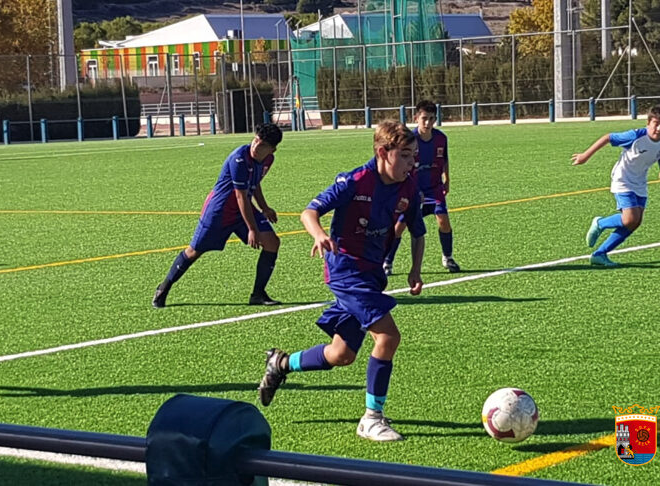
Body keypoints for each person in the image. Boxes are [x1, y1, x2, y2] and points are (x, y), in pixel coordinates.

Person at [257, 121, 425, 442]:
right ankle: (372, 419)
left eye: (413, 155)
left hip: (371, 274)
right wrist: (319, 235)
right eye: (404, 155)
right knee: (388, 337)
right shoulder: (355, 181)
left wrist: (415, 269)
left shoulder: (409, 187)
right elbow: (309, 212)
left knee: (341, 354)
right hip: (346, 271)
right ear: (381, 153)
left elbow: (418, 232)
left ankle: (280, 363)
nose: (411, 163)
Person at [152, 123, 284, 308]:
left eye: (262, 145)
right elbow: (240, 195)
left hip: (242, 209)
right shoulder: (239, 158)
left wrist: (265, 207)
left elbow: (254, 183)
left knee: (272, 242)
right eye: (255, 140)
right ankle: (164, 287)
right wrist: (252, 229)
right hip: (219, 211)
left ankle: (258, 294)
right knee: (194, 251)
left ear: (272, 150)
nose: (256, 146)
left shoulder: (267, 160)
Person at [572, 105, 660, 267]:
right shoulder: (635, 136)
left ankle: (600, 254)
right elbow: (608, 137)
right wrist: (585, 156)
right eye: (656, 124)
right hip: (622, 179)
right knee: (630, 219)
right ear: (648, 123)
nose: (659, 129)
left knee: (635, 222)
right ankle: (600, 223)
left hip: (640, 183)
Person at [383, 100, 459, 276]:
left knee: (443, 221)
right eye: (424, 118)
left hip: (434, 188)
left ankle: (447, 257)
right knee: (399, 227)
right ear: (416, 118)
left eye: (431, 119)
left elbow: (445, 160)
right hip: (412, 189)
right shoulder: (410, 140)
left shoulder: (441, 138)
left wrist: (447, 179)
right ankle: (387, 261)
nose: (427, 123)